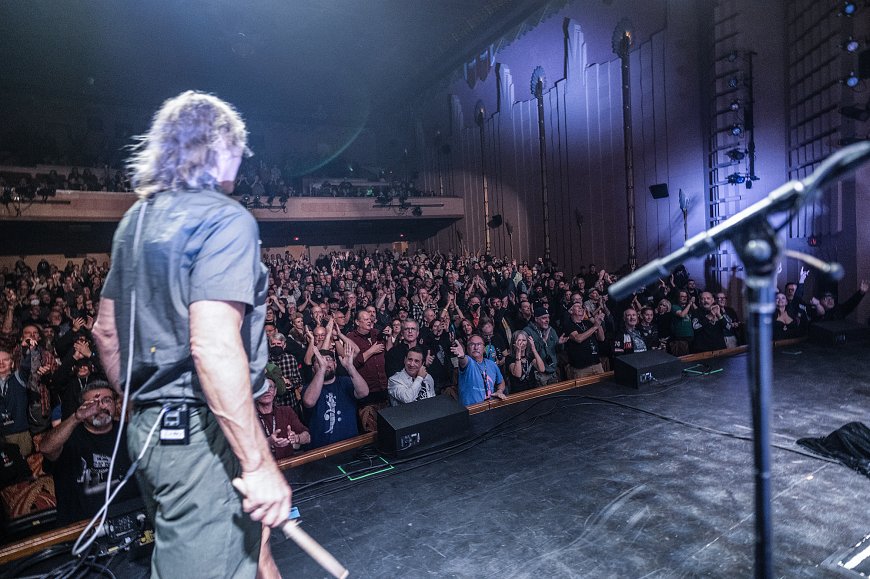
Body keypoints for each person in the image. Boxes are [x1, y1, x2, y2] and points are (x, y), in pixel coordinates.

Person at [92, 91, 290, 579]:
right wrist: (258, 463)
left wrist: (146, 404)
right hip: (200, 432)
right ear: (219, 148)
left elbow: (106, 333)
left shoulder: (134, 221)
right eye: (238, 152)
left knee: (251, 553)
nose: (241, 164)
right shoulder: (226, 219)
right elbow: (213, 346)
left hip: (151, 433)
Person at [40, 382, 139, 525]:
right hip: (83, 527)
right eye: (92, 403)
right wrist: (76, 418)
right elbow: (46, 448)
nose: (100, 407)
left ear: (114, 404)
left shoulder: (130, 431)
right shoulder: (69, 437)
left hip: (132, 518)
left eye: (107, 400)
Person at [302, 345, 369, 448]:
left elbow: (364, 392)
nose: (324, 363)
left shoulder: (345, 382)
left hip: (350, 445)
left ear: (335, 364)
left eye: (328, 360)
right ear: (313, 369)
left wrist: (350, 367)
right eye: (319, 361)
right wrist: (322, 369)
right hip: (321, 450)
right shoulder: (308, 388)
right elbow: (309, 402)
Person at [255, 377, 310, 460]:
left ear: (275, 391)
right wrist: (268, 442)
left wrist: (296, 438)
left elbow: (307, 437)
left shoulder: (286, 411)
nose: (267, 391)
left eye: (270, 387)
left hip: (287, 464)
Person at [451, 334, 506, 405]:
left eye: (479, 344)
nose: (476, 347)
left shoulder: (492, 364)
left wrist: (499, 391)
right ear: (467, 348)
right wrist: (462, 356)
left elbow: (501, 382)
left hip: (489, 407)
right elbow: (464, 361)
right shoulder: (468, 362)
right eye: (472, 344)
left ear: (484, 348)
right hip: (471, 409)